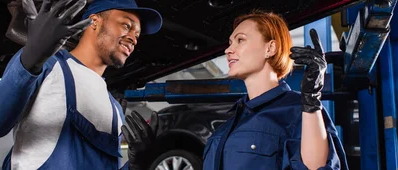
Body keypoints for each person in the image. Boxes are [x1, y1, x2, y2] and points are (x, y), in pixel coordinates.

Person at [123, 11, 349, 170]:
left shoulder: (297, 112)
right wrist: (141, 163)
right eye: (230, 42)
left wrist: (311, 101)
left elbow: (317, 168)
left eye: (240, 40)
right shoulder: (227, 127)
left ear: (270, 48)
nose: (228, 50)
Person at [0, 0, 162, 169]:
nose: (133, 38)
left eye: (137, 35)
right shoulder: (47, 64)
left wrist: (136, 165)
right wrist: (31, 57)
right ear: (94, 21)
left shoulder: (115, 109)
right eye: (126, 25)